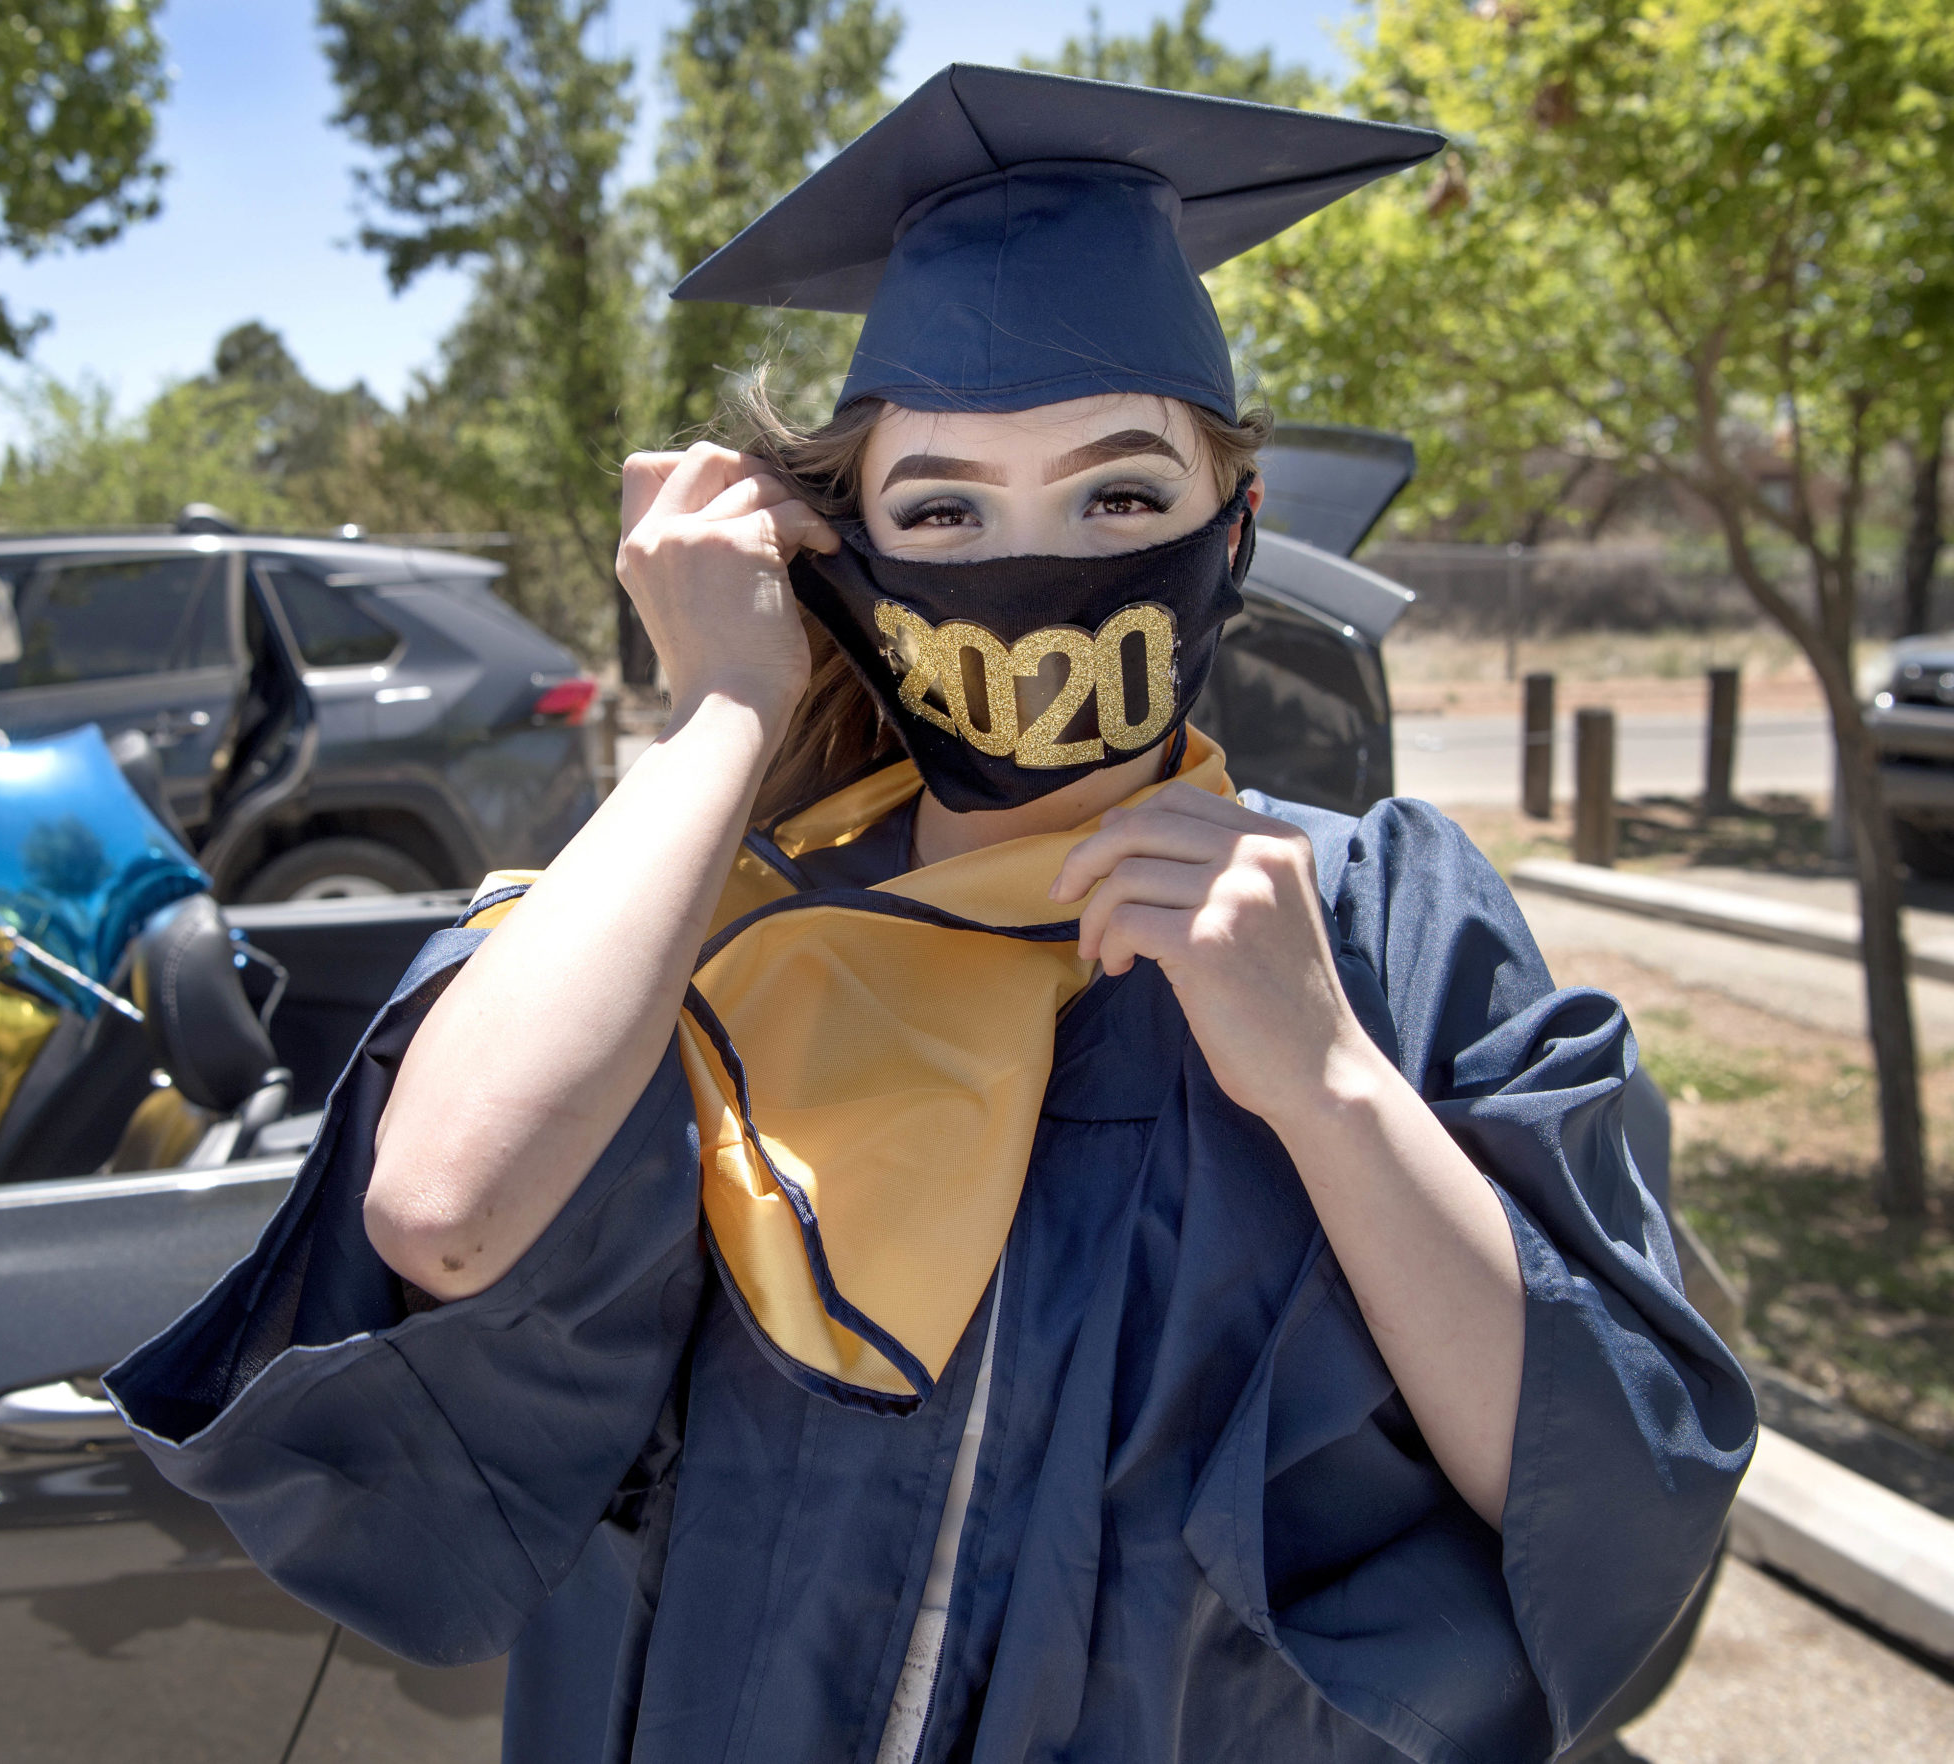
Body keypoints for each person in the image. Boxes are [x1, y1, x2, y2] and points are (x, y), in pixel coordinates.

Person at [107, 64, 1754, 1764]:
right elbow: (444, 1213)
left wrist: (1328, 1082)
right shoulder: (713, 912)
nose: (1029, 567)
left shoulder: (1382, 917)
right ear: (857, 559)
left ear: (1234, 532)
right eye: (942, 510)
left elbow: (1606, 1483)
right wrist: (732, 707)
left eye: (1121, 497)